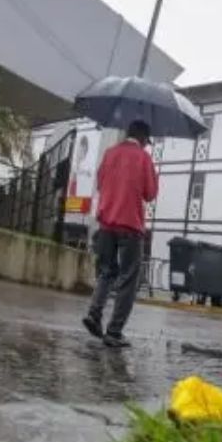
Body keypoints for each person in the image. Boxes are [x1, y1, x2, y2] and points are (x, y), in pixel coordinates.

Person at [82, 120, 158, 348]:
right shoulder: (144, 158)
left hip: (106, 223)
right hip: (130, 226)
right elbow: (150, 194)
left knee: (106, 271)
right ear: (143, 139)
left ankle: (94, 314)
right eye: (147, 142)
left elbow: (100, 183)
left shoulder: (110, 153)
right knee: (128, 279)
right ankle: (114, 332)